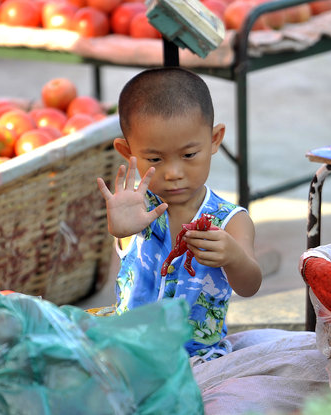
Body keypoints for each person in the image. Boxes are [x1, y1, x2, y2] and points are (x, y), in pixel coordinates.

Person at [97, 67, 263, 362]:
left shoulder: (230, 220)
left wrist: (233, 256)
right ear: (127, 151)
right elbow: (127, 277)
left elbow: (249, 286)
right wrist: (121, 234)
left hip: (196, 360)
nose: (173, 173)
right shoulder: (135, 207)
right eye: (155, 159)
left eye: (188, 155)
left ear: (214, 140)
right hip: (127, 350)